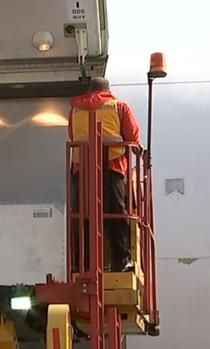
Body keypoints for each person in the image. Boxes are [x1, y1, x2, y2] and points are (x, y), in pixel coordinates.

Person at [68, 76, 141, 272]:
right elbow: (133, 136)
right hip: (112, 167)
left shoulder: (75, 110)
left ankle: (84, 264)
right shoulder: (119, 107)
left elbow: (72, 135)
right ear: (108, 91)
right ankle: (121, 261)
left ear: (89, 91)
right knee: (117, 214)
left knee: (83, 216)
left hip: (82, 170)